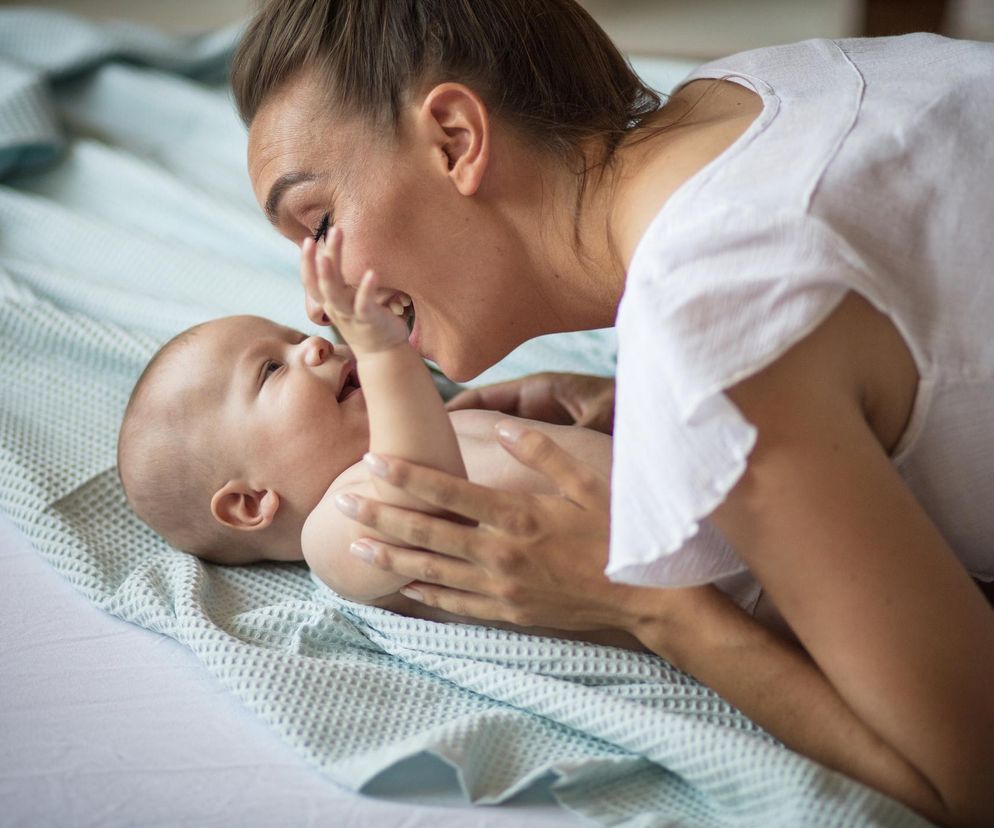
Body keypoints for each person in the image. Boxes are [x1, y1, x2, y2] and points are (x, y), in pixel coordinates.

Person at [230, 0, 994, 823]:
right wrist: (692, 423)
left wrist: (646, 603)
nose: (318, 305)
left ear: (455, 137)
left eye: (321, 221)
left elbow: (964, 782)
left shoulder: (716, 325)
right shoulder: (754, 83)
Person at [116, 230, 642, 649]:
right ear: (251, 502)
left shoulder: (432, 419)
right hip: (690, 581)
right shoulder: (334, 536)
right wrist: (383, 354)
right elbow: (424, 493)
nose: (316, 347)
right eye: (271, 370)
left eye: (297, 338)